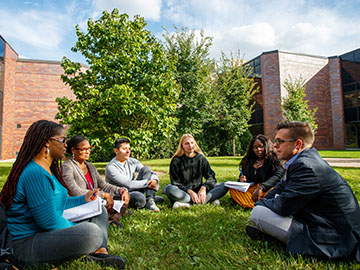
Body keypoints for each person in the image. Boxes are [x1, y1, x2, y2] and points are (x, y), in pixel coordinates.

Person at [0, 120, 125, 269]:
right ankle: (91, 248)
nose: (66, 145)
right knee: (92, 233)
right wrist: (77, 228)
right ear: (47, 143)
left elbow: (62, 203)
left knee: (99, 209)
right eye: (62, 140)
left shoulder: (49, 170)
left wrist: (85, 199)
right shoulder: (35, 173)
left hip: (44, 232)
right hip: (26, 245)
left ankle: (99, 253)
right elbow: (48, 222)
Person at [247, 121, 360, 262]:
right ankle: (272, 234)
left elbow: (283, 206)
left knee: (258, 213)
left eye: (279, 141)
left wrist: (262, 204)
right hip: (322, 221)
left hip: (338, 237)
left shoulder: (306, 166)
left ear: (298, 144)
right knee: (263, 208)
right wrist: (266, 200)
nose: (274, 145)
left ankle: (279, 238)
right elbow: (280, 187)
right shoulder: (302, 160)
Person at [62, 135, 130, 227]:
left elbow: (104, 185)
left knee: (124, 198)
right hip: (83, 203)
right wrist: (103, 195)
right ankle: (113, 217)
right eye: (83, 149)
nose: (87, 152)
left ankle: (112, 216)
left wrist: (122, 190)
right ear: (73, 150)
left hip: (97, 200)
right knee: (103, 206)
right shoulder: (67, 167)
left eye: (89, 148)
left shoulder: (90, 167)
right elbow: (75, 192)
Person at [163, 134, 228, 209]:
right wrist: (189, 191)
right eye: (187, 143)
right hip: (184, 193)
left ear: (195, 144)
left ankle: (188, 203)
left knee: (224, 185)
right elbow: (175, 182)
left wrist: (204, 188)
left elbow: (211, 177)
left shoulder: (201, 158)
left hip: (200, 192)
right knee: (169, 189)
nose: (190, 145)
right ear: (182, 146)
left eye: (192, 143)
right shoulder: (176, 161)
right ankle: (207, 200)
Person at [105, 138, 162, 212]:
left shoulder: (132, 161)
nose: (128, 151)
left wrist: (155, 180)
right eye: (124, 149)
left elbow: (148, 172)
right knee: (139, 198)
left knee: (146, 169)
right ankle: (147, 200)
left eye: (129, 148)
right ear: (116, 151)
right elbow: (129, 184)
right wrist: (150, 184)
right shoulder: (111, 167)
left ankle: (150, 200)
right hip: (120, 195)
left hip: (132, 190)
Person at [230, 134, 285, 208]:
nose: (258, 150)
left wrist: (262, 187)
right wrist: (241, 179)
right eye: (255, 147)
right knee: (234, 190)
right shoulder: (249, 161)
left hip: (268, 188)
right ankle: (254, 204)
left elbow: (277, 176)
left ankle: (259, 203)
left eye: (261, 146)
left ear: (266, 146)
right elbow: (244, 176)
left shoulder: (274, 159)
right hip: (253, 190)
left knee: (274, 192)